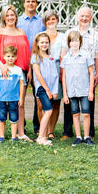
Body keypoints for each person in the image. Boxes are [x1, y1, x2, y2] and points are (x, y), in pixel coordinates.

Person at [0, 4, 32, 141]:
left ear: (16, 17)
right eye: (7, 15)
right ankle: (2, 133)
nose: (10, 17)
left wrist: (29, 70)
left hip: (20, 72)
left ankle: (20, 133)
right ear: (4, 17)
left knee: (20, 103)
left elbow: (27, 54)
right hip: (4, 72)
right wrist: (2, 66)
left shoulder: (22, 33)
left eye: (12, 15)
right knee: (2, 101)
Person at [60, 7, 98, 141]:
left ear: (90, 17)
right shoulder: (69, 32)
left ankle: (89, 133)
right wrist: (62, 73)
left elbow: (96, 56)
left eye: (87, 16)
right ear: (78, 17)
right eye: (82, 16)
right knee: (71, 107)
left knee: (88, 106)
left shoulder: (95, 34)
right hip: (71, 75)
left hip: (87, 75)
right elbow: (64, 53)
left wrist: (97, 73)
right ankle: (68, 131)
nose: (84, 18)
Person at [17, 0, 46, 135]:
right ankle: (20, 125)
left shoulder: (41, 22)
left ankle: (37, 125)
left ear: (36, 4)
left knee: (38, 96)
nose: (30, 4)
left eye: (33, 1)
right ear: (24, 4)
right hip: (20, 62)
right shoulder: (18, 22)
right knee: (19, 96)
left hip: (37, 63)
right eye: (28, 1)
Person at [61, 31, 95, 146]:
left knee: (86, 113)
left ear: (80, 42)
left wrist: (91, 90)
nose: (74, 43)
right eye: (72, 41)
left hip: (84, 90)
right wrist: (65, 94)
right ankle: (78, 136)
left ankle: (87, 136)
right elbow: (64, 77)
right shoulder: (66, 58)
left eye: (76, 41)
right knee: (75, 114)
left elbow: (91, 73)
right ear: (69, 43)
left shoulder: (86, 56)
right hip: (72, 91)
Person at [30, 32, 59, 146]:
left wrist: (54, 90)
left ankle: (44, 136)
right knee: (48, 111)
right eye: (42, 42)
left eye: (46, 42)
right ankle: (41, 137)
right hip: (42, 88)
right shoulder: (36, 57)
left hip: (51, 90)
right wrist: (47, 89)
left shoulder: (51, 58)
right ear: (37, 43)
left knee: (47, 111)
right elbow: (38, 75)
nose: (44, 44)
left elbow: (55, 76)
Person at [0, 46, 26, 143]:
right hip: (2, 99)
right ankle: (1, 136)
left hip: (14, 99)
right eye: (8, 56)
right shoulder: (0, 69)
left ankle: (13, 137)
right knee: (1, 118)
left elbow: (21, 84)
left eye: (12, 56)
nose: (10, 58)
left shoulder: (18, 70)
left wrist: (21, 98)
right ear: (3, 57)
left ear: (16, 57)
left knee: (14, 118)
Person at [43, 10, 65, 140]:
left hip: (57, 68)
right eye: (48, 20)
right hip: (44, 68)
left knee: (56, 102)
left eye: (53, 19)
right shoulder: (41, 35)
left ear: (57, 20)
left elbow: (63, 55)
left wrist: (62, 72)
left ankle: (51, 131)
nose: (51, 22)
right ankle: (43, 129)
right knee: (43, 101)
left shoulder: (62, 36)